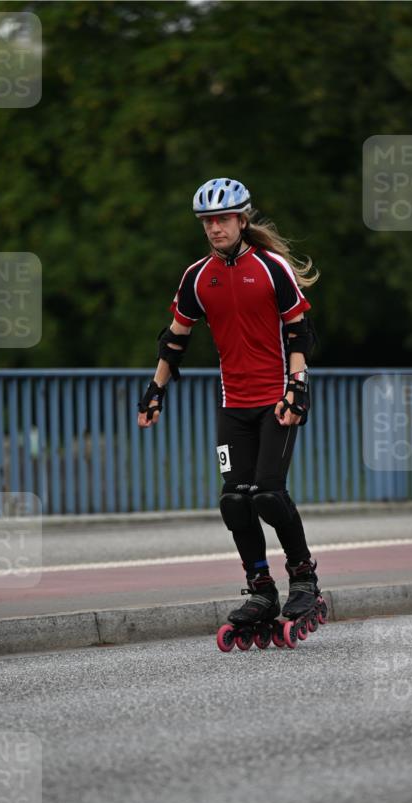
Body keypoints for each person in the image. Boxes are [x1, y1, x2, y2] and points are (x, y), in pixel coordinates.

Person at [137, 176, 320, 630]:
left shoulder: (273, 267)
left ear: (242, 219)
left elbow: (300, 330)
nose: (215, 228)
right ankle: (260, 590)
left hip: (278, 397)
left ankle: (304, 581)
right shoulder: (198, 277)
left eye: (222, 219)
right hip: (233, 403)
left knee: (269, 496)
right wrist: (156, 389)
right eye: (207, 221)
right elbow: (174, 340)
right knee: (234, 502)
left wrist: (297, 386)